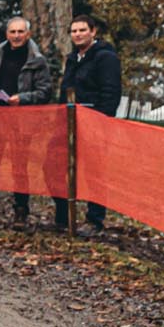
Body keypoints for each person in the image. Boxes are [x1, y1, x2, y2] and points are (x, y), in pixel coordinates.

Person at [0, 16, 53, 227]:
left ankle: (21, 212)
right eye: (12, 32)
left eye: (20, 32)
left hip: (21, 121)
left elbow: (45, 91)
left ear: (28, 34)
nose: (16, 36)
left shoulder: (37, 59)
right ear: (7, 34)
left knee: (19, 167)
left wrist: (23, 98)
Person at [54, 13, 122, 236]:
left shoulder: (106, 57)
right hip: (68, 122)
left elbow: (111, 93)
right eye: (74, 31)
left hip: (94, 121)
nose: (77, 34)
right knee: (54, 166)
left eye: (82, 30)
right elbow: (66, 89)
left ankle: (94, 220)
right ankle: (64, 215)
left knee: (94, 172)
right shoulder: (72, 58)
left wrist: (100, 122)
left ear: (93, 32)